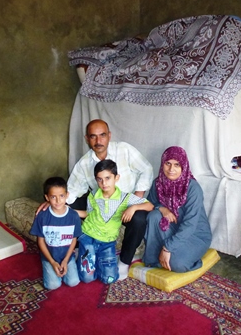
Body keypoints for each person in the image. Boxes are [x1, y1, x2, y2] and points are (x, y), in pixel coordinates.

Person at [38, 119, 154, 280]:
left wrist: (137, 198)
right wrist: (55, 201)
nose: (98, 141)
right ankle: (78, 247)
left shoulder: (124, 149)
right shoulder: (84, 163)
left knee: (140, 218)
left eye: (102, 135)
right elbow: (72, 190)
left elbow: (146, 168)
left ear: (109, 136)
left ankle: (124, 261)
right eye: (93, 136)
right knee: (71, 206)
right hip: (101, 206)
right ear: (87, 139)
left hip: (125, 204)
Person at [77, 159, 154, 284]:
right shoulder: (93, 195)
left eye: (108, 178)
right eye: (99, 179)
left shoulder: (125, 197)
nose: (104, 183)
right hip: (88, 237)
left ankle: (92, 259)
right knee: (87, 278)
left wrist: (133, 207)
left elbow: (150, 206)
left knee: (110, 279)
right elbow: (89, 214)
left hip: (107, 242)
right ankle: (84, 256)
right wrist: (70, 211)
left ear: (116, 178)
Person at [143, 146, 212, 273]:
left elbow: (190, 225)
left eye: (177, 165)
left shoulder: (193, 188)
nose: (171, 169)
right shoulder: (158, 184)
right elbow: (149, 203)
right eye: (168, 163)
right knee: (154, 216)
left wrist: (167, 248)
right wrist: (162, 208)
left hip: (195, 234)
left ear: (183, 166)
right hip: (173, 228)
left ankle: (190, 258)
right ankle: (154, 259)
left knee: (177, 264)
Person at [30, 177, 82, 290]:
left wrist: (66, 260)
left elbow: (74, 239)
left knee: (73, 282)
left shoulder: (73, 216)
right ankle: (48, 265)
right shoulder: (42, 216)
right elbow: (40, 241)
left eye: (61, 196)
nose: (58, 201)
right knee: (53, 285)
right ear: (47, 197)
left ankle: (74, 257)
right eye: (53, 197)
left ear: (67, 195)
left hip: (67, 255)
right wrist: (52, 262)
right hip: (50, 256)